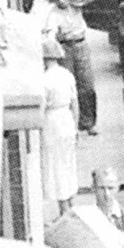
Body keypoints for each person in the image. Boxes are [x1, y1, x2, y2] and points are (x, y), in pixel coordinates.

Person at [43, 0, 97, 135]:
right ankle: (73, 125)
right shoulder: (53, 14)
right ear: (53, 1)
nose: (62, 0)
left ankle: (89, 123)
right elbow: (51, 33)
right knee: (69, 85)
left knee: (87, 85)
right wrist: (51, 41)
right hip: (66, 48)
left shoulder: (76, 5)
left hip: (81, 44)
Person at [41, 38, 78, 216]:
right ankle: (71, 202)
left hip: (52, 120)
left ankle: (64, 208)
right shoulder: (67, 74)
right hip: (67, 118)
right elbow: (75, 103)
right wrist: (76, 126)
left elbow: (42, 107)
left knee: (55, 165)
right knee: (68, 162)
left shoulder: (44, 79)